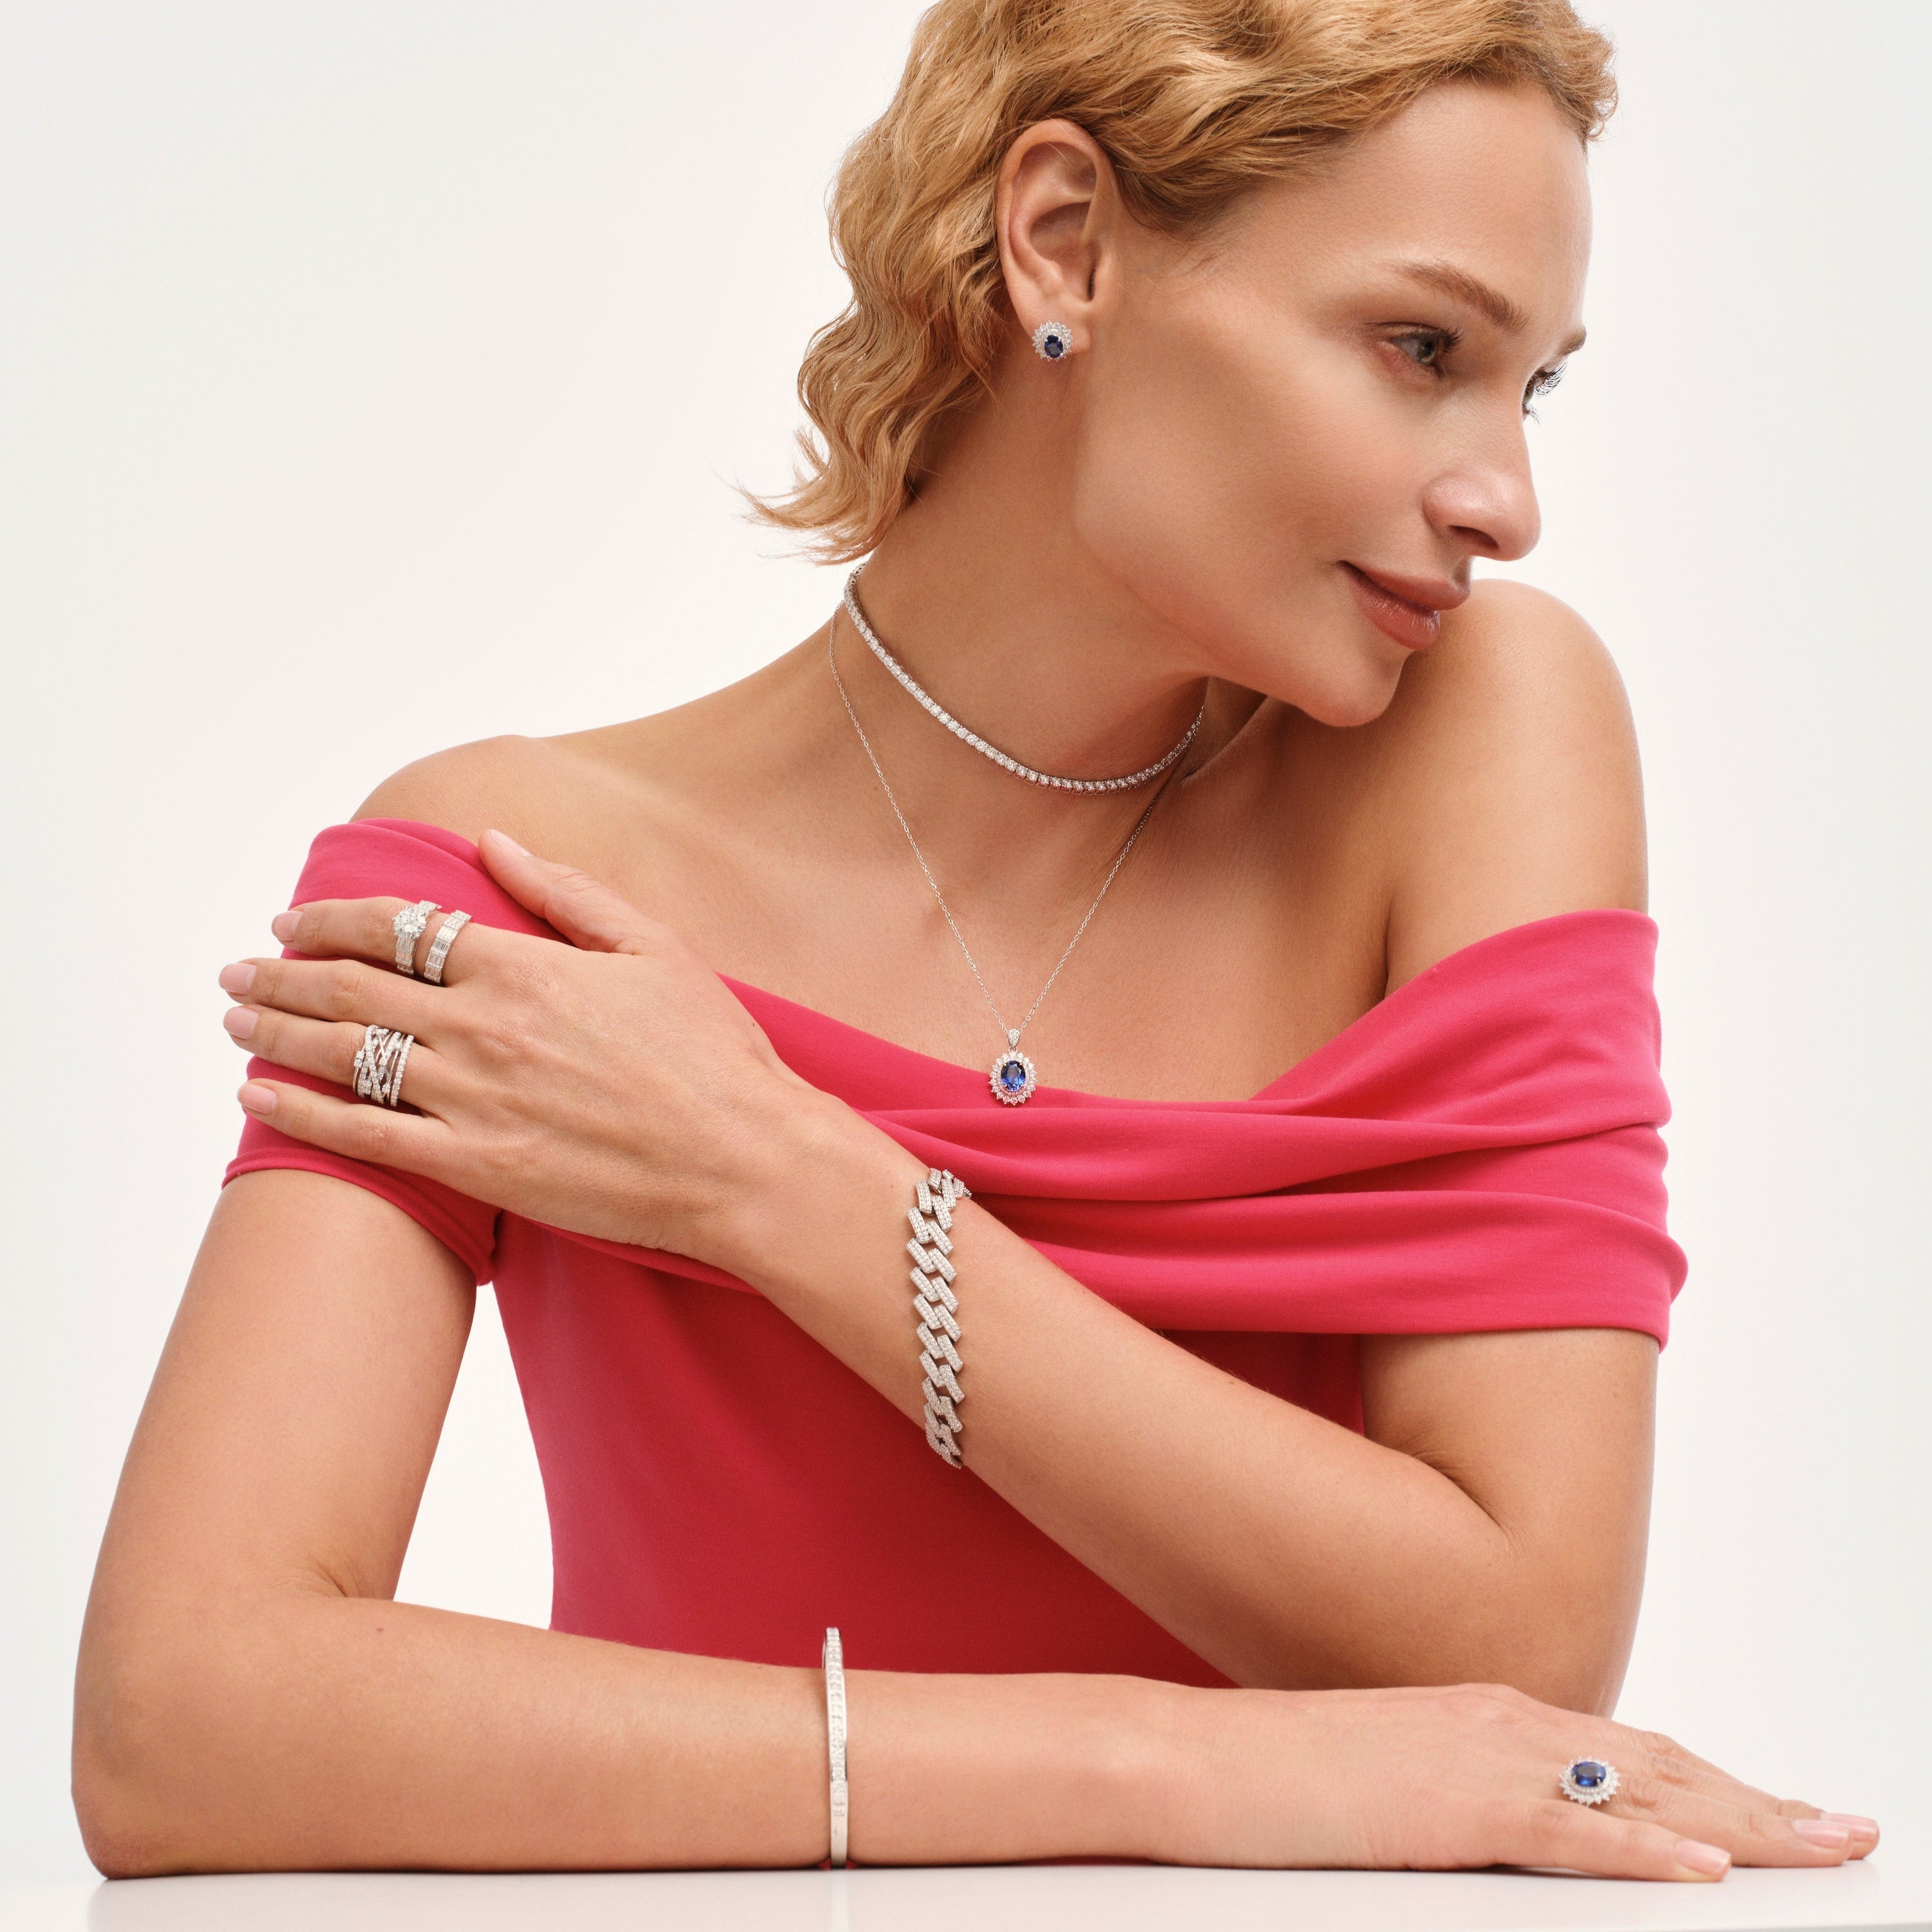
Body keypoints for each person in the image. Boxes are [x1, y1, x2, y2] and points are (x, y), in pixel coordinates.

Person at [74, 0, 1877, 1881]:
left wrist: (775, 1175)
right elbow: (179, 1720)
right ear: (1066, 243)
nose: (1506, 499)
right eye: (1421, 348)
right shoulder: (518, 886)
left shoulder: (1476, 737)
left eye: (1532, 386)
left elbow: (1520, 1647)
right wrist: (1155, 1765)